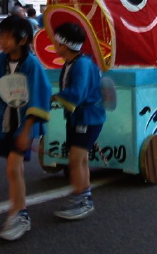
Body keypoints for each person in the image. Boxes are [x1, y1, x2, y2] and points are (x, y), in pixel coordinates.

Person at [0, 15, 52, 241]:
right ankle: (19, 212)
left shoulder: (32, 65)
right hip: (6, 122)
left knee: (13, 168)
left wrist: (27, 131)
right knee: (14, 170)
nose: (3, 41)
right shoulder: (2, 60)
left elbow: (39, 96)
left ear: (23, 39)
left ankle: (19, 215)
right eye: (1, 36)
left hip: (23, 124)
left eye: (7, 36)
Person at [51, 23, 105, 220]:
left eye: (56, 41)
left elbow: (77, 94)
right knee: (80, 160)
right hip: (82, 117)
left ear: (64, 45)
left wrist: (54, 99)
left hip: (87, 118)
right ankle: (83, 197)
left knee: (75, 160)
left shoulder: (80, 64)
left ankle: (82, 199)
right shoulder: (74, 62)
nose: (54, 43)